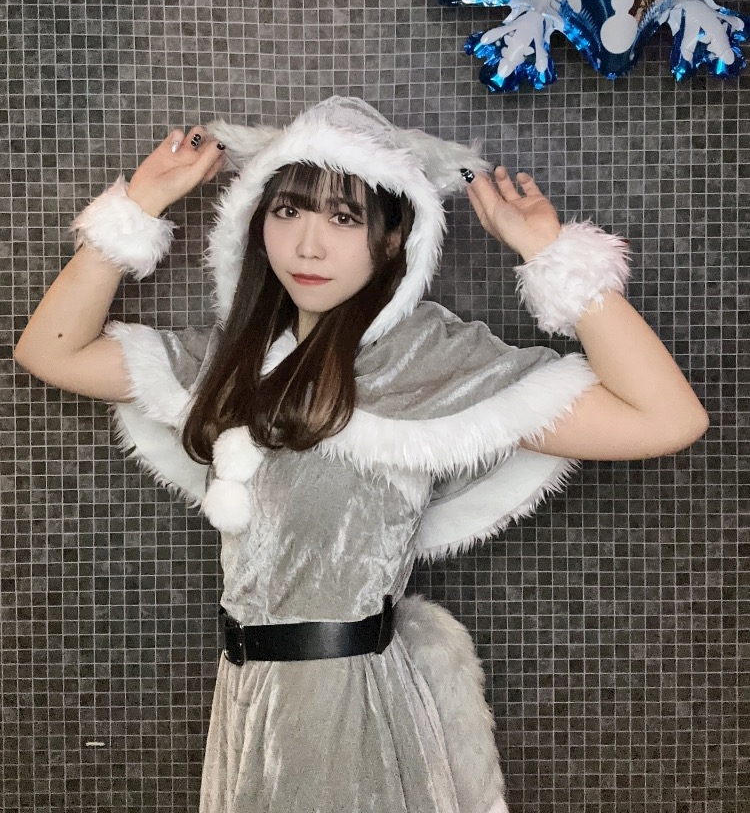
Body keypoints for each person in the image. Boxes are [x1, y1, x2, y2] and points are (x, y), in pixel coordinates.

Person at [14, 97, 708, 813]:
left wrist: (551, 255)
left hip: (354, 711)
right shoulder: (231, 361)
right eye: (287, 211)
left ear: (393, 238)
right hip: (248, 705)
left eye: (344, 218)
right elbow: (51, 350)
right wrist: (139, 205)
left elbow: (666, 417)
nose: (308, 246)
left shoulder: (428, 360)